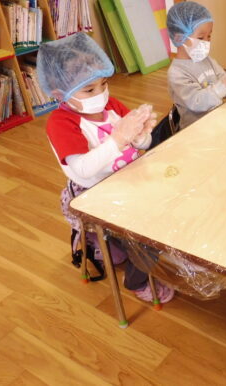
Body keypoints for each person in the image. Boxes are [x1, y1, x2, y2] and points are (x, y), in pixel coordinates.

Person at [39, 32, 174, 304]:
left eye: (103, 83)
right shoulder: (62, 123)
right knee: (149, 234)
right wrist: (119, 138)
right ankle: (136, 280)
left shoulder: (110, 105)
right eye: (89, 90)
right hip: (94, 194)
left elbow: (141, 144)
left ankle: (114, 244)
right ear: (60, 93)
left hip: (126, 179)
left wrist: (141, 136)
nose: (100, 94)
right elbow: (83, 169)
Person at [166, 1, 226, 129]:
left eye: (209, 36)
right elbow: (196, 102)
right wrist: (223, 86)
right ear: (179, 38)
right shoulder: (177, 73)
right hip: (195, 130)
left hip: (217, 120)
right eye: (201, 38)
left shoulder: (207, 60)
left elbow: (223, 81)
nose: (206, 42)